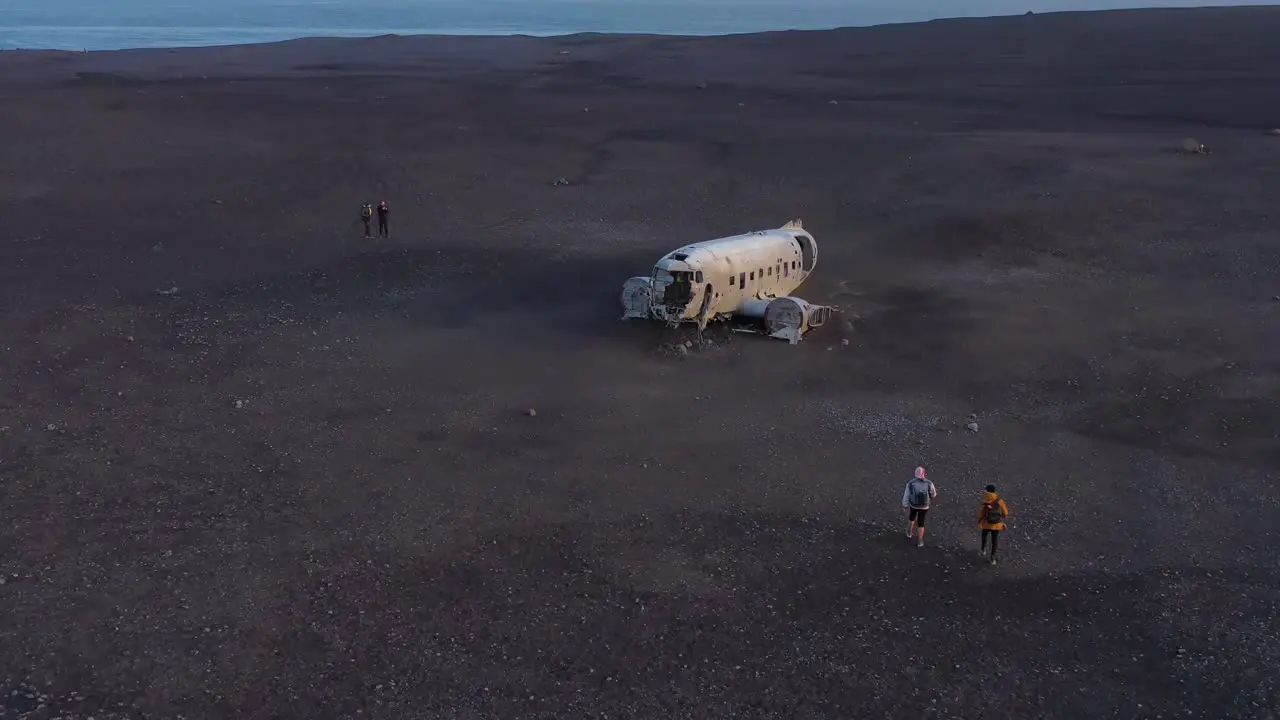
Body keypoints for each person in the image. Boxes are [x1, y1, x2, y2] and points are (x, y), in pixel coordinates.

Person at [901, 466, 937, 548]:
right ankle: (920, 541)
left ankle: (909, 532)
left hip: (914, 505)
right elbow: (934, 494)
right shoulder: (929, 483)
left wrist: (904, 505)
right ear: (924, 473)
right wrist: (930, 497)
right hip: (924, 506)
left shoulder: (910, 483)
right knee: (921, 522)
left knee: (912, 517)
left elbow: (906, 495)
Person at [978, 484, 1010, 565]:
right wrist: (1002, 517)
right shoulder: (1000, 501)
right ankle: (992, 558)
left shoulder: (985, 502)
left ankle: (983, 549)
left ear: (986, 491)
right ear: (994, 492)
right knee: (994, 541)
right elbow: (1005, 512)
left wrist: (979, 521)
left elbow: (981, 513)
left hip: (986, 523)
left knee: (984, 536)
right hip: (997, 524)